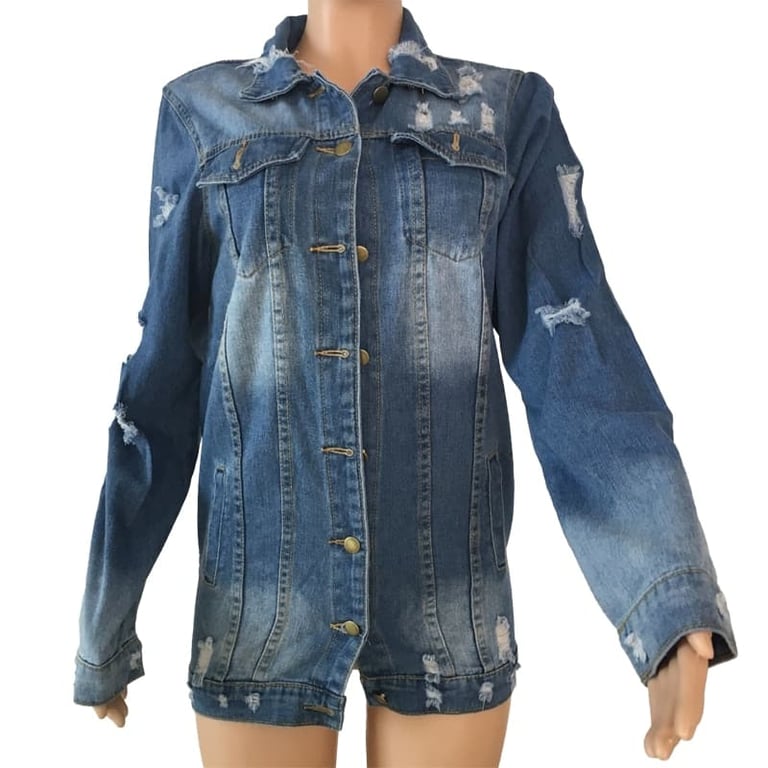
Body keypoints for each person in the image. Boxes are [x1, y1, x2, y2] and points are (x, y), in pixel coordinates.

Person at [72, 1, 737, 766]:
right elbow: (160, 386)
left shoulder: (503, 115)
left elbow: (579, 363)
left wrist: (668, 602)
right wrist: (105, 623)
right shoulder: (204, 114)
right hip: (261, 605)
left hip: (446, 606)